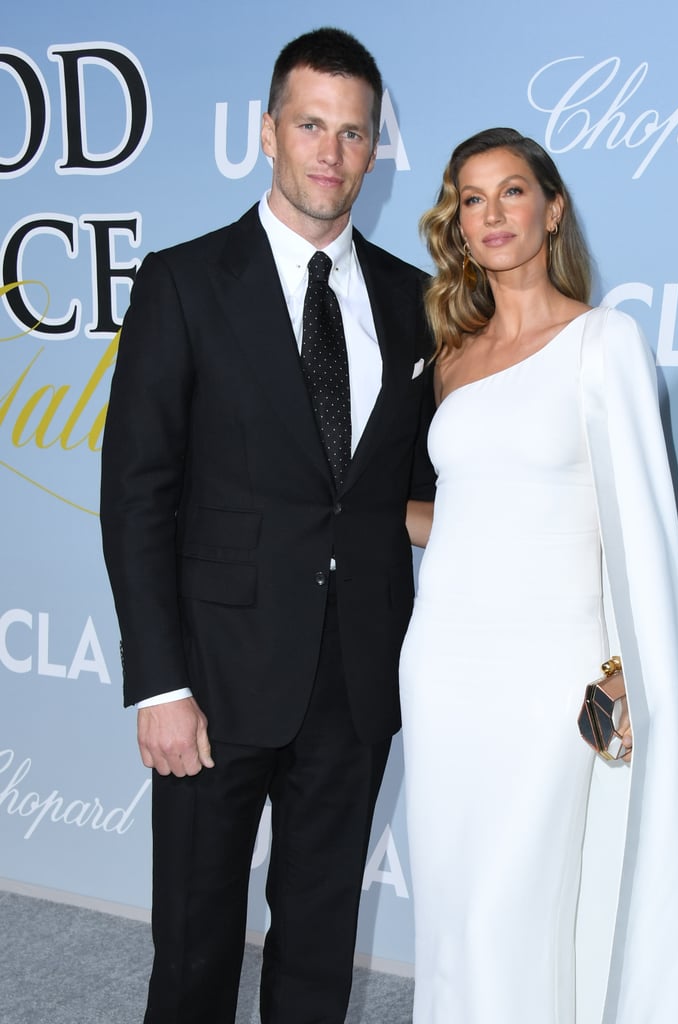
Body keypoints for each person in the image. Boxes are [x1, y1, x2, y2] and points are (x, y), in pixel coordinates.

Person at [100, 27, 435, 1024]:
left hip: (355, 680)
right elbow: (137, 495)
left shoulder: (415, 304)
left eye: (354, 132)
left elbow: (416, 493)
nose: (331, 153)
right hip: (213, 678)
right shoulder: (185, 283)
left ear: (375, 150)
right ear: (266, 133)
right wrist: (159, 682)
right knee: (195, 947)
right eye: (310, 125)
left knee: (319, 949)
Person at [400, 128, 678, 1023]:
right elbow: (464, 517)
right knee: (457, 914)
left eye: (511, 192)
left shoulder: (603, 342)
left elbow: (639, 540)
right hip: (443, 670)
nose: (492, 214)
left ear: (553, 209)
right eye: (472, 198)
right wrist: (354, 513)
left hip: (549, 677)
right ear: (456, 223)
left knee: (519, 908)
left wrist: (623, 680)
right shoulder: (451, 358)